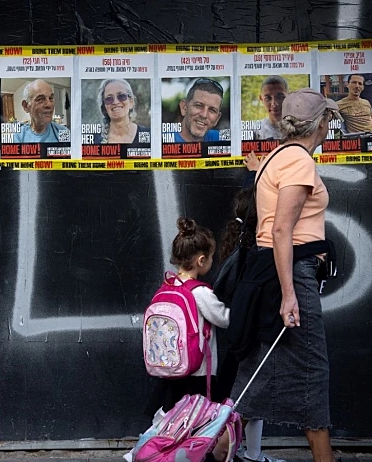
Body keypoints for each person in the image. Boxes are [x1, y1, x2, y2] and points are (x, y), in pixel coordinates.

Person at [230, 88, 338, 462]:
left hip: (273, 273)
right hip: (290, 275)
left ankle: (215, 449)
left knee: (256, 378)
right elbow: (280, 231)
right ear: (320, 123)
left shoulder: (277, 156)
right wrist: (290, 295)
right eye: (329, 119)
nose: (330, 126)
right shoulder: (299, 162)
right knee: (313, 370)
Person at [213, 152, 286, 462]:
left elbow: (252, 203)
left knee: (237, 399)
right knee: (250, 400)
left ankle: (237, 451)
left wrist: (255, 174)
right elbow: (259, 204)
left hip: (231, 338)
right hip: (250, 336)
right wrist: (258, 175)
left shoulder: (234, 244)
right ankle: (248, 454)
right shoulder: (257, 253)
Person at [144, 218, 230, 459]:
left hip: (170, 368)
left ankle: (163, 450)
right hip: (198, 371)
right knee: (195, 419)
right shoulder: (200, 292)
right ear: (202, 260)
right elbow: (224, 319)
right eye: (210, 258)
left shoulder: (167, 286)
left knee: (173, 415)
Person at [93, 78, 150, 144]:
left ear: (131, 102)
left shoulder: (149, 135)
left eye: (121, 96)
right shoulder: (94, 140)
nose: (115, 102)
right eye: (109, 98)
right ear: (104, 108)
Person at [253, 76, 288, 140]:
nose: (274, 103)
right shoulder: (256, 130)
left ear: (289, 96)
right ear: (261, 99)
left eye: (280, 97)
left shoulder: (299, 129)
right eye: (268, 98)